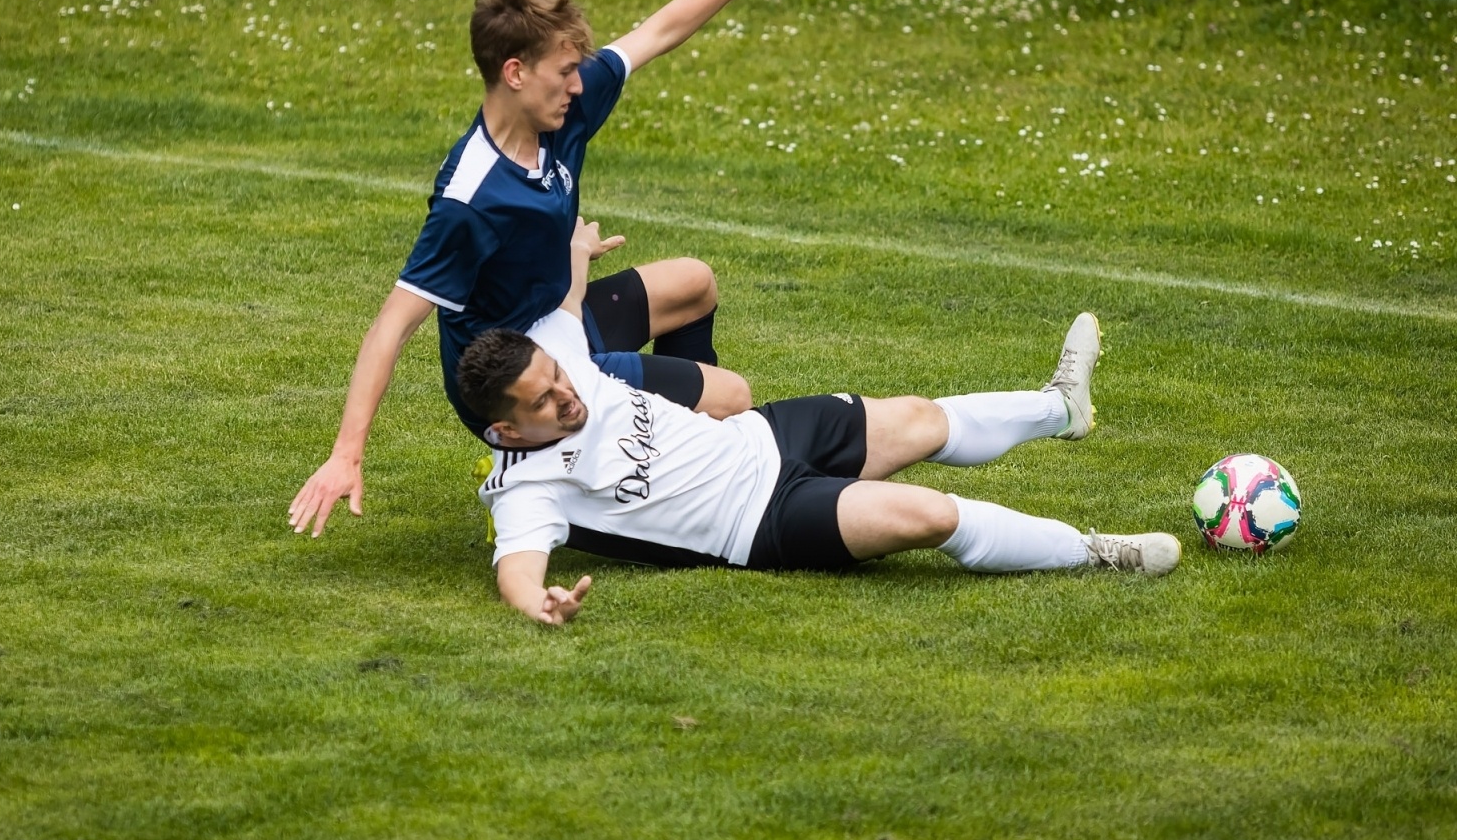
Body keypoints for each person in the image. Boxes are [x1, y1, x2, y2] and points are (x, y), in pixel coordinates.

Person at [288, 0, 842, 538]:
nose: (580, 86)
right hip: (525, 377)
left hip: (564, 318)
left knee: (693, 283)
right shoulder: (472, 199)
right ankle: (607, 460)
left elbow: (656, 32)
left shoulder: (560, 111)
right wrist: (347, 453)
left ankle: (666, 453)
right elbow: (392, 324)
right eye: (566, 73)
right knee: (731, 396)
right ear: (516, 73)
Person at [458, 222, 1181, 625]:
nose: (566, 395)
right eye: (545, 403)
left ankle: (1061, 407)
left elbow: (568, 309)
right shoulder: (524, 487)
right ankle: (1095, 551)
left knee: (922, 419)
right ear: (509, 433)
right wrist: (539, 602)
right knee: (926, 514)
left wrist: (578, 255)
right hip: (762, 521)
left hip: (767, 436)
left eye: (557, 378)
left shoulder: (552, 355)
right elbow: (517, 569)